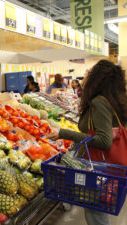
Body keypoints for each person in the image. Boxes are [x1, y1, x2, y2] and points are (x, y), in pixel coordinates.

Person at [47, 60, 127, 225]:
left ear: (97, 79)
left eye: (90, 72)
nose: (87, 76)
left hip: (98, 165)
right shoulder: (113, 99)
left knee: (95, 214)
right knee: (97, 212)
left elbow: (104, 141)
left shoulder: (100, 102)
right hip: (110, 166)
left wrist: (64, 133)